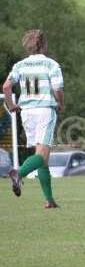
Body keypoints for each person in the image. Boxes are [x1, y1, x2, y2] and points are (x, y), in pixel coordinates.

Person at [2, 29, 64, 208]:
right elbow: (58, 88)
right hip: (44, 109)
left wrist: (11, 105)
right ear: (44, 45)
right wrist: (60, 102)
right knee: (42, 154)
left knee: (42, 157)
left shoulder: (20, 65)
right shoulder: (51, 64)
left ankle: (49, 200)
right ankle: (19, 173)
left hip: (27, 112)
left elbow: (6, 86)